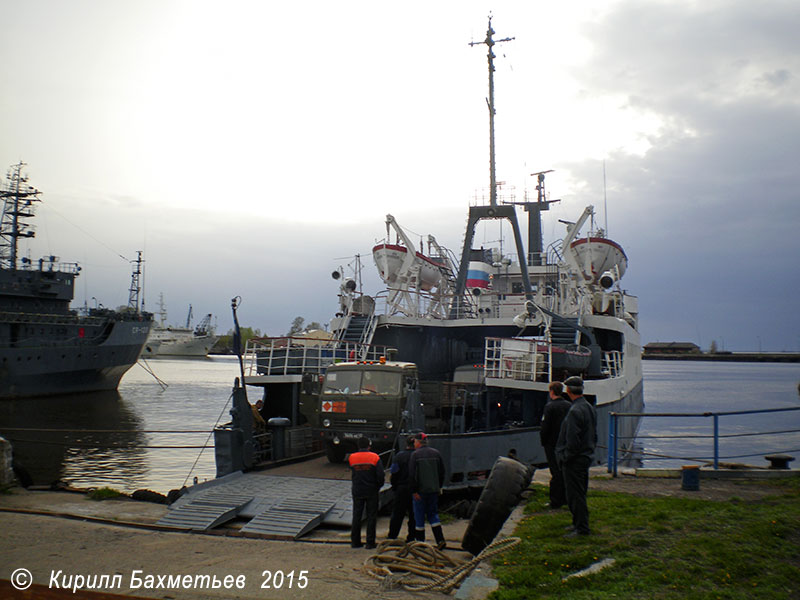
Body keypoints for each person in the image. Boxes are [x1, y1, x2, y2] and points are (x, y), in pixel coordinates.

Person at [555, 376, 597, 537]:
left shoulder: (574, 411)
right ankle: (577, 524)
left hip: (575, 460)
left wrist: (566, 457)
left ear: (568, 390)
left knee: (575, 495)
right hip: (586, 455)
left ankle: (581, 528)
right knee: (580, 492)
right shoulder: (588, 407)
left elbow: (572, 439)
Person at [408, 432, 446, 548]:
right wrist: (438, 487)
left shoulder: (415, 455)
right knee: (433, 515)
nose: (414, 444)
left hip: (420, 492)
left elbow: (412, 475)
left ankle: (421, 543)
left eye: (414, 441)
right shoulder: (436, 453)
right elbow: (442, 472)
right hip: (433, 491)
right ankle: (440, 540)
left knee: (419, 517)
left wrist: (414, 491)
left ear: (418, 442)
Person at [348, 436, 385, 549]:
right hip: (371, 490)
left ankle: (355, 542)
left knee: (357, 515)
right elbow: (380, 475)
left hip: (357, 490)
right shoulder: (375, 457)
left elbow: (353, 472)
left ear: (358, 446)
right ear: (369, 446)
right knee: (371, 516)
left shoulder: (352, 457)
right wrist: (378, 486)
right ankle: (370, 542)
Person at [540, 381, 571, 509]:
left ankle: (555, 500)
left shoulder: (550, 407)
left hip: (552, 444)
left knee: (555, 472)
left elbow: (545, 427)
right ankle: (565, 497)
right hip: (565, 443)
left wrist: (543, 441)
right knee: (564, 471)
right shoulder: (569, 405)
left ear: (551, 391)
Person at [387, 437, 416, 542]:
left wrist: (394, 486)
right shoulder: (418, 456)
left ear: (406, 444)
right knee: (414, 515)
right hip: (415, 490)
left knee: (397, 515)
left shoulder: (399, 456)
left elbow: (394, 472)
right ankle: (412, 538)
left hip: (401, 489)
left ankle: (392, 536)